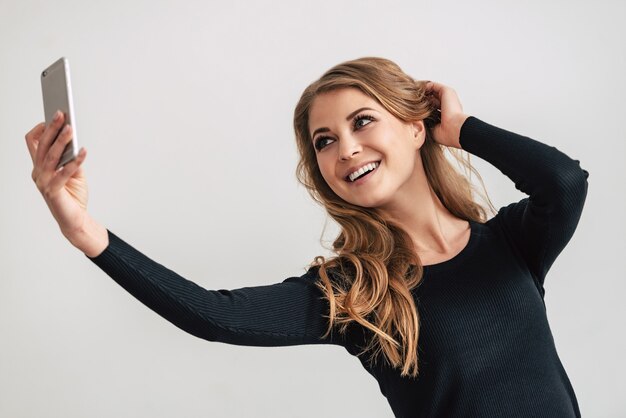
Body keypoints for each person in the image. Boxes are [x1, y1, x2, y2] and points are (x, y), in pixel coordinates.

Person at [25, 57, 588, 417]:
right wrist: (84, 232)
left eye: (363, 122)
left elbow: (564, 182)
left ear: (416, 126)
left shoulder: (511, 243)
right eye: (324, 141)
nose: (344, 149)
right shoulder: (355, 293)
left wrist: (462, 129)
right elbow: (212, 315)